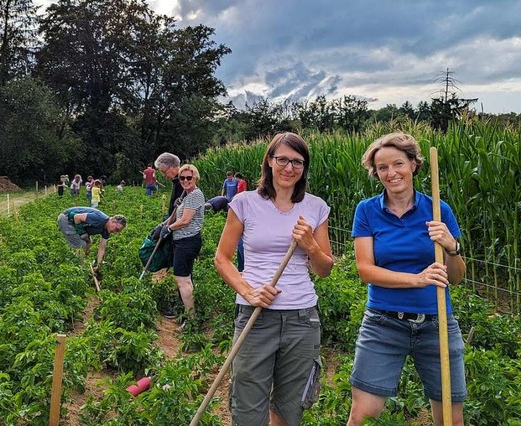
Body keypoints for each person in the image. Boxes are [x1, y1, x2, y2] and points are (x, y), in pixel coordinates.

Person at [347, 132, 467, 426]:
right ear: (376, 173)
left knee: (451, 419)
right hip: (383, 323)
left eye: (398, 163)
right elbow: (366, 270)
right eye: (382, 168)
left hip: (436, 321)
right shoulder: (367, 211)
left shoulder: (438, 209)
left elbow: (457, 277)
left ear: (413, 164)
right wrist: (417, 279)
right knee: (361, 417)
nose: (391, 173)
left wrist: (452, 248)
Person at [214, 132, 334, 426]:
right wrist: (249, 291)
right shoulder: (244, 202)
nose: (289, 168)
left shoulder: (315, 207)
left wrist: (310, 245)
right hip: (255, 315)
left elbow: (324, 268)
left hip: (302, 318)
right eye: (282, 159)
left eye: (297, 162)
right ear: (269, 161)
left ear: (304, 168)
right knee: (247, 404)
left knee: (290, 407)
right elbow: (222, 259)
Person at [160, 164, 205, 325]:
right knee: (186, 279)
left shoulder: (195, 195)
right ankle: (190, 315)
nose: (185, 181)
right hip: (183, 241)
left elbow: (185, 221)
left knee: (182, 280)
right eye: (182, 178)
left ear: (195, 178)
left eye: (189, 178)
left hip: (187, 242)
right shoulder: (186, 195)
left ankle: (191, 320)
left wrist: (168, 228)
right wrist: (162, 225)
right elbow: (175, 215)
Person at [57, 207, 127, 265]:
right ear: (113, 221)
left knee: (89, 242)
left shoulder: (107, 230)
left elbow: (102, 248)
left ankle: (83, 259)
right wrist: (81, 232)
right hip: (67, 219)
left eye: (118, 231)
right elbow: (76, 217)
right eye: (116, 229)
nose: (115, 232)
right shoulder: (100, 218)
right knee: (81, 245)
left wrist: (98, 265)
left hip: (77, 223)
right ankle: (79, 266)